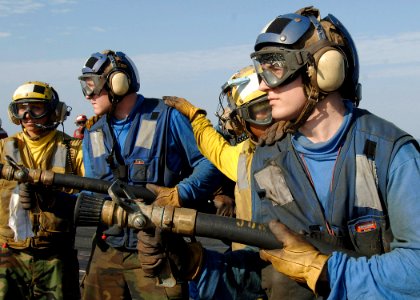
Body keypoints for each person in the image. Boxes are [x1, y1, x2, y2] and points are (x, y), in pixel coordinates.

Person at [153, 6, 420, 299]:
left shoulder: (391, 155)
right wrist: (201, 267)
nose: (264, 84)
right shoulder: (267, 163)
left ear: (323, 70)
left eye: (275, 67)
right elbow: (264, 268)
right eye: (262, 70)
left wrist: (326, 271)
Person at [79, 50, 222, 299]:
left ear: (117, 83)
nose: (89, 95)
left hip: (157, 247)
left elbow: (209, 164)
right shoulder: (93, 133)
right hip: (108, 246)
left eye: (93, 87)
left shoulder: (167, 117)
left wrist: (180, 193)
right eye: (86, 87)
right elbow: (92, 189)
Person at [164, 65, 275, 250]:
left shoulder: (263, 156)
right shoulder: (246, 151)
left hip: (269, 263)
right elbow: (216, 149)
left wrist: (196, 117)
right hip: (250, 256)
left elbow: (216, 150)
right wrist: (196, 118)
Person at [0, 81, 84, 299]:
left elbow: (92, 195)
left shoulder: (73, 150)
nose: (27, 116)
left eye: (36, 108)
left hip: (55, 256)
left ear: (54, 111)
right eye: (22, 108)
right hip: (9, 255)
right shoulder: (3, 148)